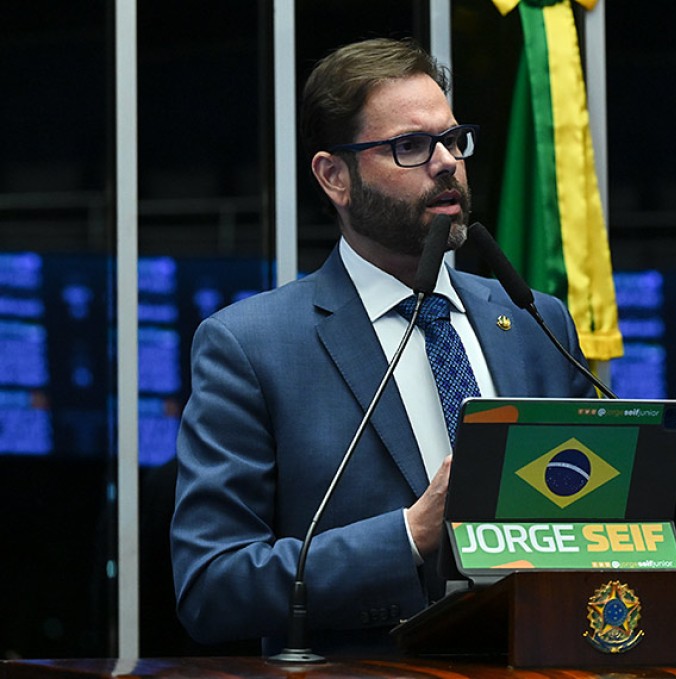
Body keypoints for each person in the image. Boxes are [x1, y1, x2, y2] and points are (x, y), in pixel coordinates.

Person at [170, 37, 594, 656]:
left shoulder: (535, 322)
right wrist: (409, 535)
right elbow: (213, 586)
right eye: (411, 146)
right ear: (334, 177)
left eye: (453, 140)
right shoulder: (253, 347)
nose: (446, 163)